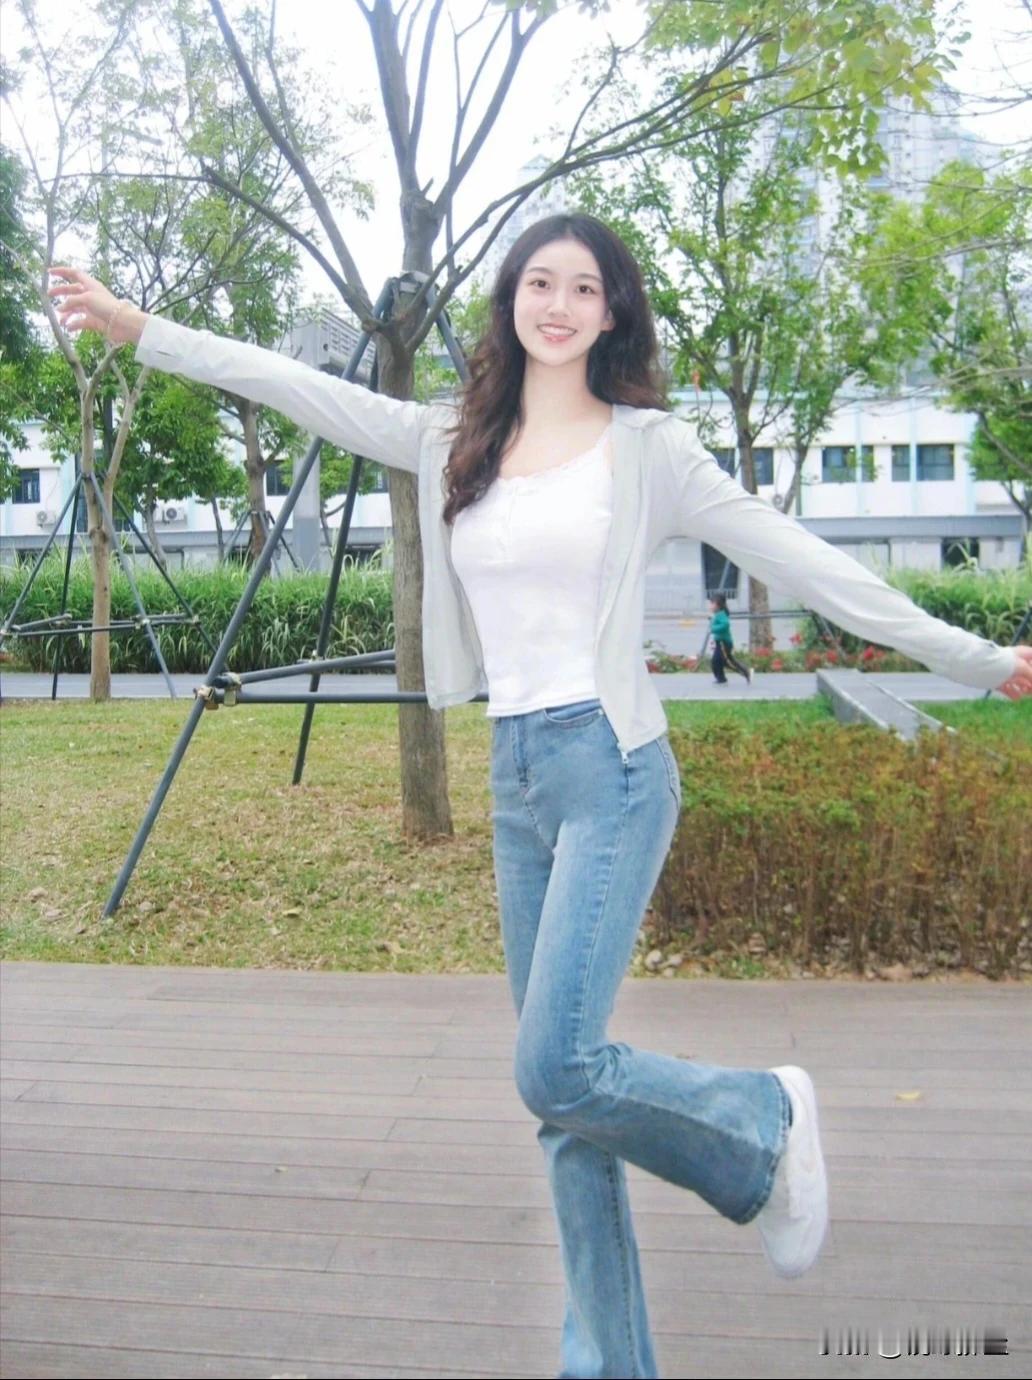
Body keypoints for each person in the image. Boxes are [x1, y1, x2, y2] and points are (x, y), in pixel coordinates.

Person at [48, 215, 1032, 1380]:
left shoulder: (652, 449)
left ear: (613, 313)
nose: (557, 305)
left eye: (584, 288)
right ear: (511, 299)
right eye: (539, 283)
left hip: (612, 768)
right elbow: (290, 385)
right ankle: (607, 1362)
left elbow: (805, 562)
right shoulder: (450, 438)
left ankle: (760, 1124)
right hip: (516, 773)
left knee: (554, 1065)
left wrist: (980, 659)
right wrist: (136, 327)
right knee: (564, 1106)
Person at [708, 592, 752, 685]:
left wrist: (713, 628)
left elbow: (725, 625)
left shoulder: (721, 615)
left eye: (712, 603)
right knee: (716, 661)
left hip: (723, 643)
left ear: (719, 605)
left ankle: (745, 672)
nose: (710, 606)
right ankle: (721, 678)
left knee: (725, 661)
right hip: (719, 642)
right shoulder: (717, 614)